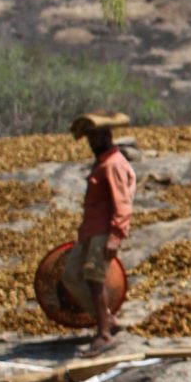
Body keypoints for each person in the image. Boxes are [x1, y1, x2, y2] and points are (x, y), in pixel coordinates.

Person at [62, 112, 136, 351]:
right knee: (71, 275)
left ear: (108, 136)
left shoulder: (113, 163)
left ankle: (104, 334)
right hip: (89, 231)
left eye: (96, 137)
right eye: (89, 138)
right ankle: (107, 318)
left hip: (103, 231)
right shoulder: (101, 162)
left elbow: (122, 203)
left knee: (95, 279)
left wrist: (116, 235)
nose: (92, 142)